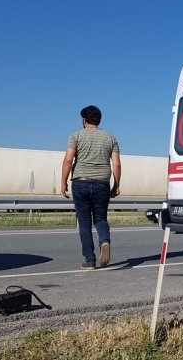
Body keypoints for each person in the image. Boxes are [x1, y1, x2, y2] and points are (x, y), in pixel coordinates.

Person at [61, 105, 121, 270]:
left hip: (81, 182)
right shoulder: (111, 138)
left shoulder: (76, 135)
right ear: (99, 120)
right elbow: (116, 164)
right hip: (102, 183)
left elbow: (68, 160)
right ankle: (105, 241)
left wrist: (63, 182)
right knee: (101, 219)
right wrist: (116, 185)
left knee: (85, 223)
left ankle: (90, 260)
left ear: (84, 120)